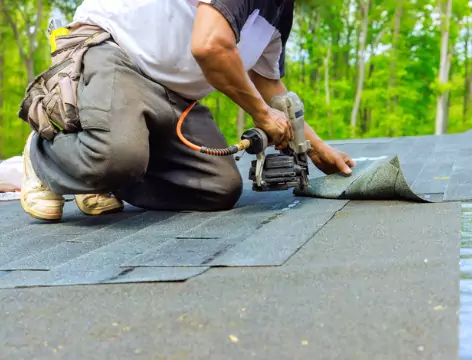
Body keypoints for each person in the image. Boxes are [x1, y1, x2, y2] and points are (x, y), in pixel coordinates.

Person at [20, 0, 355, 222]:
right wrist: (263, 117)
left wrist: (315, 147)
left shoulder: (278, 11)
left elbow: (269, 87)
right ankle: (43, 156)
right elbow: (210, 46)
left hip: (175, 97)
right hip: (115, 52)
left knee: (216, 188)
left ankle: (103, 175)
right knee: (117, 154)